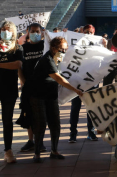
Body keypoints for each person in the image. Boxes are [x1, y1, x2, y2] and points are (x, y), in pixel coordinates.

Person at [29, 37, 83, 163]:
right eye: (62, 49)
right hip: (38, 95)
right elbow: (59, 79)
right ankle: (37, 152)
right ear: (53, 48)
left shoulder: (57, 59)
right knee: (41, 124)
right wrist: (76, 90)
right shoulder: (47, 59)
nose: (64, 52)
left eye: (65, 49)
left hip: (51, 95)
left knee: (55, 123)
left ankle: (54, 151)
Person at [18, 23, 47, 153]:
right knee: (29, 114)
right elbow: (19, 67)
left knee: (41, 115)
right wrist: (23, 81)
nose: (35, 33)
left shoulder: (45, 46)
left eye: (37, 31)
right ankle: (31, 141)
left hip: (43, 86)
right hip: (28, 87)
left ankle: (39, 141)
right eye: (33, 31)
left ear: (41, 32)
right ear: (27, 32)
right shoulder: (22, 48)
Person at [0, 21, 23, 163]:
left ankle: (8, 151)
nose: (5, 31)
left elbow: (18, 65)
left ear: (13, 32)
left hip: (9, 89)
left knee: (7, 120)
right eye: (3, 29)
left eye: (8, 29)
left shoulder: (17, 48)